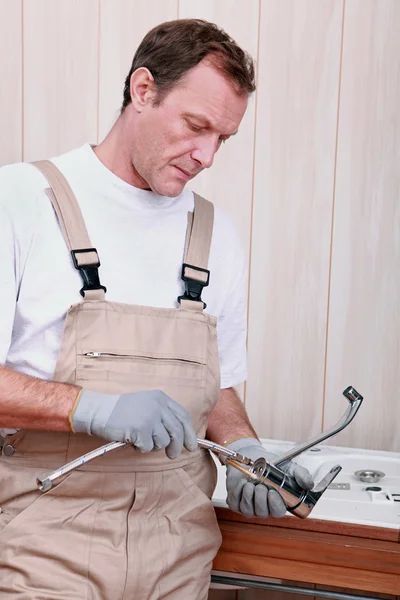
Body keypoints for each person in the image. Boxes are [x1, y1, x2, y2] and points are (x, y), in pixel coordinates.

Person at [0, 18, 313, 599]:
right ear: (142, 91)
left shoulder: (215, 233)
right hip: (46, 541)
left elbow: (213, 383)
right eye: (196, 126)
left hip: (178, 549)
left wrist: (247, 451)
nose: (206, 155)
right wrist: (88, 407)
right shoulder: (18, 201)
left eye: (223, 138)